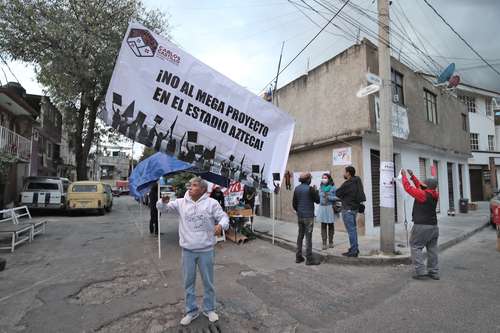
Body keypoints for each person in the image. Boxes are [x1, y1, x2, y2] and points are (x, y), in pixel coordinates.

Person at [156, 177, 229, 326]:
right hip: (188, 250)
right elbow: (163, 209)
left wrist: (220, 226)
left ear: (202, 189)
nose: (190, 187)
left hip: (206, 250)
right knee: (188, 282)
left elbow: (224, 217)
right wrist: (162, 202)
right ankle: (191, 311)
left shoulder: (211, 203)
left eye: (194, 185)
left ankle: (209, 309)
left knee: (208, 282)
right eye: (190, 185)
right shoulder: (181, 203)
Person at [401, 169, 440, 280]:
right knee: (432, 249)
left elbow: (408, 188)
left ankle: (421, 271)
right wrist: (412, 176)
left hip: (422, 226)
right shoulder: (435, 194)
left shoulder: (422, 195)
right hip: (434, 227)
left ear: (427, 186)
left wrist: (404, 176)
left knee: (415, 246)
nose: (422, 185)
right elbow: (421, 185)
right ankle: (434, 272)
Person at [336, 166, 366, 257]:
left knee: (351, 231)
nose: (344, 174)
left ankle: (353, 251)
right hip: (354, 209)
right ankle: (354, 248)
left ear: (348, 173)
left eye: (345, 172)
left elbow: (338, 193)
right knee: (353, 230)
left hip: (347, 209)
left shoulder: (347, 184)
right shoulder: (357, 180)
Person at [292, 172, 320, 265]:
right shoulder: (310, 189)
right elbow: (318, 200)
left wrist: (300, 211)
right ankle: (309, 259)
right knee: (308, 238)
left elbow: (294, 204)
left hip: (300, 216)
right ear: (308, 180)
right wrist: (316, 191)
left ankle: (298, 257)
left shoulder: (297, 189)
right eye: (310, 179)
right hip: (308, 217)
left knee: (300, 236)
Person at [317, 173, 336, 250]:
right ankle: (324, 243)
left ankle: (331, 242)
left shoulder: (333, 187)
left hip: (330, 207)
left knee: (331, 225)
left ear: (329, 179)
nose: (323, 179)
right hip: (322, 208)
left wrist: (329, 197)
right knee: (323, 226)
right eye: (322, 178)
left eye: (325, 178)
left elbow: (336, 197)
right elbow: (319, 197)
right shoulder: (321, 187)